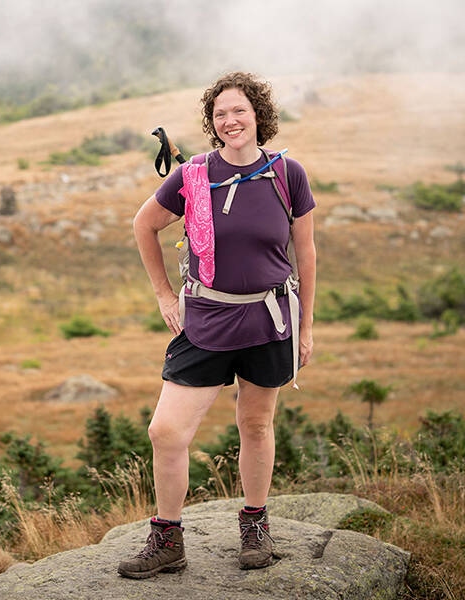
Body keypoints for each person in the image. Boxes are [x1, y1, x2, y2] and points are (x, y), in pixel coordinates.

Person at [117, 71, 316, 579]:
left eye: (239, 111)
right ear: (212, 122)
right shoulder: (193, 176)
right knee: (166, 431)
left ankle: (254, 524)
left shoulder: (286, 174)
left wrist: (307, 326)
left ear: (258, 117)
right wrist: (165, 294)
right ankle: (167, 539)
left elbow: (306, 252)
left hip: (270, 318)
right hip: (206, 317)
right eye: (220, 113)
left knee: (255, 424)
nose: (230, 121)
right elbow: (144, 225)